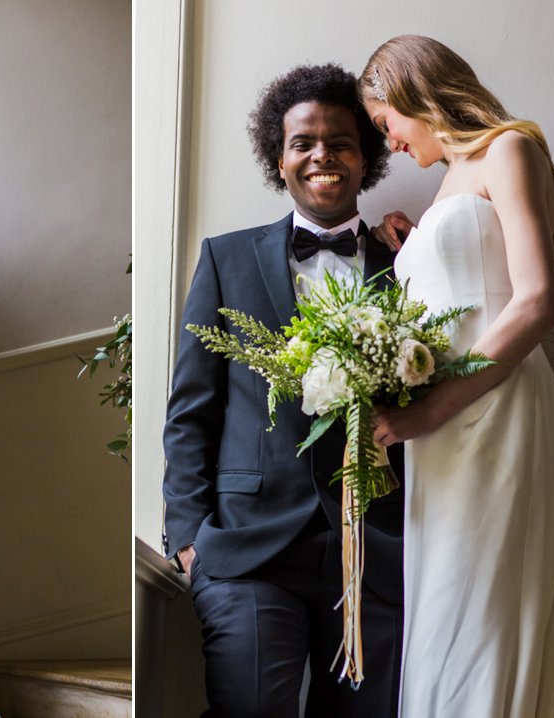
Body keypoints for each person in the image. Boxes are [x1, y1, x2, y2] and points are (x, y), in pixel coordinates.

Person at [162, 64, 405, 717]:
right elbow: (191, 411)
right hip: (246, 549)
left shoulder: (409, 264)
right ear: (279, 156)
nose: (322, 154)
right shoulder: (224, 258)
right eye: (303, 142)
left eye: (341, 141)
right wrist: (187, 534)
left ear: (368, 156)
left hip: (374, 553)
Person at [358, 35, 554, 718]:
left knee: (484, 621)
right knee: (443, 622)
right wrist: (413, 245)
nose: (389, 143)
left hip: (494, 414)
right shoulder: (447, 185)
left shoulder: (508, 149)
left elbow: (537, 302)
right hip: (444, 440)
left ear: (411, 92)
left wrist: (430, 410)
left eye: (384, 123)